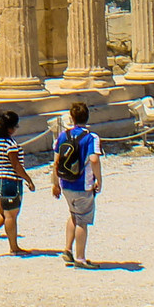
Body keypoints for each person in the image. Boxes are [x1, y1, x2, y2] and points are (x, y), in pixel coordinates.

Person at [0, 111, 36, 256]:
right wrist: (28, 179)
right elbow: (16, 165)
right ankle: (13, 247)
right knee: (11, 215)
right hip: (9, 180)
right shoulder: (10, 143)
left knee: (3, 213)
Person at [51, 102, 102, 267]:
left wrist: (55, 183)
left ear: (71, 118)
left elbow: (56, 161)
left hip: (65, 182)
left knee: (73, 214)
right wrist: (99, 180)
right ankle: (80, 258)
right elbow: (94, 159)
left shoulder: (63, 135)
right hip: (83, 184)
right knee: (82, 221)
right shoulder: (91, 137)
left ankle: (67, 249)